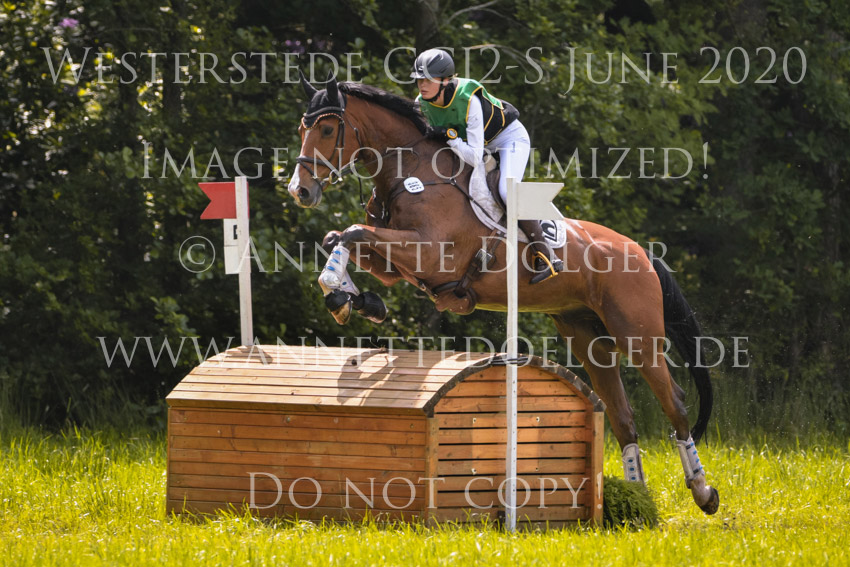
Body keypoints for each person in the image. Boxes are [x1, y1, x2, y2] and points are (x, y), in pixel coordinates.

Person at [411, 48, 563, 284]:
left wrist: (450, 137)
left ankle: (546, 255)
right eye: (419, 79)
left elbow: (473, 156)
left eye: (428, 80)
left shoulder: (467, 99)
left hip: (508, 140)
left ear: (445, 81)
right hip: (477, 147)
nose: (422, 85)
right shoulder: (421, 104)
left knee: (506, 191)